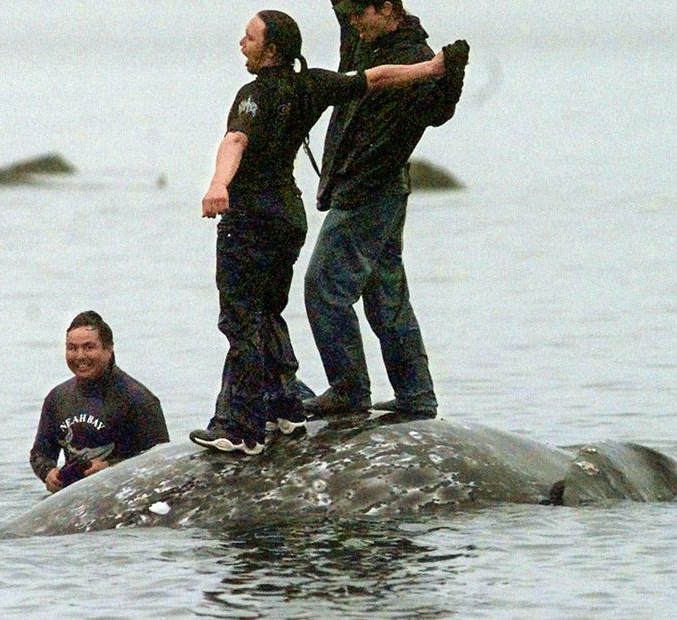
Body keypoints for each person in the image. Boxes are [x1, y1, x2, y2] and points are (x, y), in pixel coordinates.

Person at [189, 9, 455, 455]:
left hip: (256, 216)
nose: (241, 43)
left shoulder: (252, 95)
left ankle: (241, 426)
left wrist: (218, 184)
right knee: (273, 311)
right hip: (288, 216)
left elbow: (235, 140)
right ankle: (286, 408)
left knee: (244, 319)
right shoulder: (312, 83)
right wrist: (432, 68)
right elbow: (375, 78)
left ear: (272, 49)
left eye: (249, 38)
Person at [302, 1, 469, 418]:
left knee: (324, 288)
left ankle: (349, 389)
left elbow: (439, 113)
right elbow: (344, 12)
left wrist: (452, 77)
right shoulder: (363, 39)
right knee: (386, 296)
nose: (353, 24)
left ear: (386, 9)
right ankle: (416, 396)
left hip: (371, 191)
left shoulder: (417, 59)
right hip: (375, 190)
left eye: (360, 15)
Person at [30, 311, 169, 493]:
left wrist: (111, 468)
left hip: (126, 496)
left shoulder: (138, 399)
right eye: (72, 348)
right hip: (75, 498)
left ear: (108, 349)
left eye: (89, 347)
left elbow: (161, 462)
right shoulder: (57, 398)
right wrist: (48, 472)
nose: (79, 356)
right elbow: (40, 453)